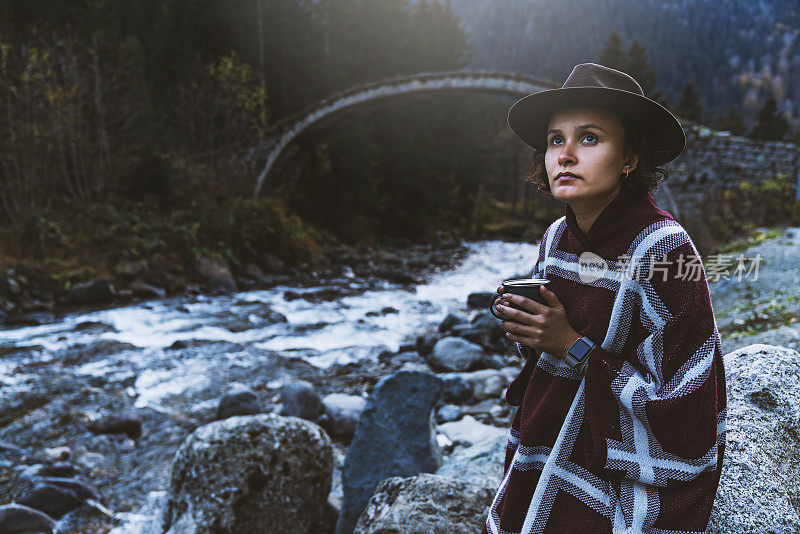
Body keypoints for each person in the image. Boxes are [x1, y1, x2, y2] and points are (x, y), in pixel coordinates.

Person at [482, 63, 726, 533]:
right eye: (556, 140)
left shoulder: (664, 249)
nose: (565, 155)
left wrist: (567, 344)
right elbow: (549, 354)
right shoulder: (556, 239)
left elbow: (687, 402)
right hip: (549, 438)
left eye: (589, 138)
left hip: (623, 468)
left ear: (629, 157)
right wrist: (526, 325)